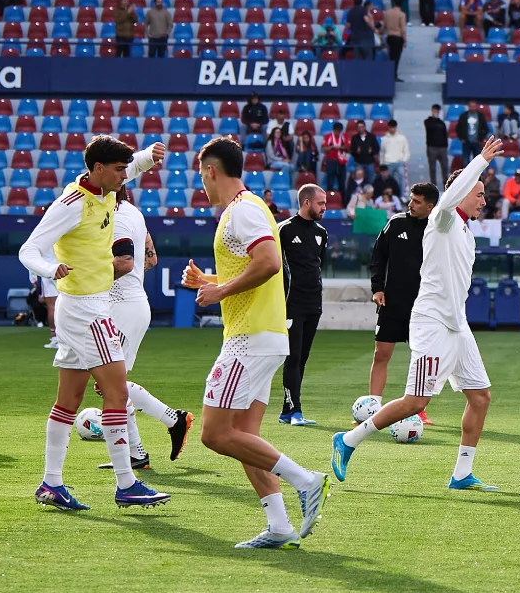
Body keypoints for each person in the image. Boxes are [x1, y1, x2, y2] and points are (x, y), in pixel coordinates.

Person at [333, 139, 506, 492]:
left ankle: (461, 474)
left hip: (457, 325)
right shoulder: (442, 220)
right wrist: (481, 160)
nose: (483, 200)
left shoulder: (466, 232)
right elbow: (451, 197)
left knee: (481, 397)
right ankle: (348, 440)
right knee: (416, 402)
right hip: (431, 323)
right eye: (479, 194)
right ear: (461, 193)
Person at [181, 137, 327, 548]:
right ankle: (279, 526)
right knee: (246, 438)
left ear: (211, 170)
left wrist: (220, 291)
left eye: (201, 175)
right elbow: (254, 269)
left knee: (214, 434)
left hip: (249, 338)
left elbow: (269, 263)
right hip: (264, 334)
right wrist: (209, 281)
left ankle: (306, 480)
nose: (201, 184)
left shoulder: (242, 210)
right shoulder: (249, 206)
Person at [18, 137, 170, 512]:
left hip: (81, 307)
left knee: (69, 400)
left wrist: (148, 157)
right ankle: (127, 484)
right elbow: (28, 249)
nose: (124, 177)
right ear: (98, 169)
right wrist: (50, 269)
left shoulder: (104, 187)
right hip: (87, 311)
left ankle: (51, 483)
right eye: (118, 170)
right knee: (116, 393)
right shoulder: (71, 204)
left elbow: (129, 168)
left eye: (125, 170)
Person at [107, 165, 194, 469]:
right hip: (130, 305)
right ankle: (139, 451)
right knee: (112, 384)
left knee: (111, 384)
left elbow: (125, 263)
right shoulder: (134, 214)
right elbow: (152, 258)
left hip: (121, 307)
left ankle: (171, 421)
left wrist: (90, 280)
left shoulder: (113, 217)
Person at [278, 184, 330, 426]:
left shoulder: (322, 233)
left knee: (303, 358)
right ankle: (295, 411)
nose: (324, 207)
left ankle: (287, 411)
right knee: (293, 356)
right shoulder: (284, 230)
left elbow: (319, 265)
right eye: (321, 203)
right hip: (291, 303)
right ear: (306, 202)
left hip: (313, 303)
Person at [368, 192, 427, 402]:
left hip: (423, 304)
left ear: (430, 206)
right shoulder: (396, 223)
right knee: (381, 354)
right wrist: (377, 288)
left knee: (421, 359)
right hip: (392, 302)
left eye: (417, 202)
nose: (411, 204)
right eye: (411, 199)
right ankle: (373, 405)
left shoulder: (437, 228)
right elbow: (378, 255)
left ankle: (418, 409)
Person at [378, 118, 409, 192]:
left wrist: (403, 161)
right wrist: (382, 164)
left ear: (396, 127)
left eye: (394, 127)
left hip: (399, 162)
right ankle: (389, 195)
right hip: (388, 163)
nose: (392, 129)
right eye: (391, 127)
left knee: (402, 178)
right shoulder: (385, 139)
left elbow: (406, 151)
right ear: (388, 127)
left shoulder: (402, 138)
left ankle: (402, 195)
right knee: (388, 180)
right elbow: (382, 152)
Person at [382, 0, 407, 81]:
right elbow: (403, 29)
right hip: (397, 37)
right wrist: (405, 40)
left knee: (390, 57)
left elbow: (384, 26)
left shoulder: (387, 13)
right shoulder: (402, 14)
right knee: (396, 58)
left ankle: (390, 74)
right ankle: (394, 75)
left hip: (389, 36)